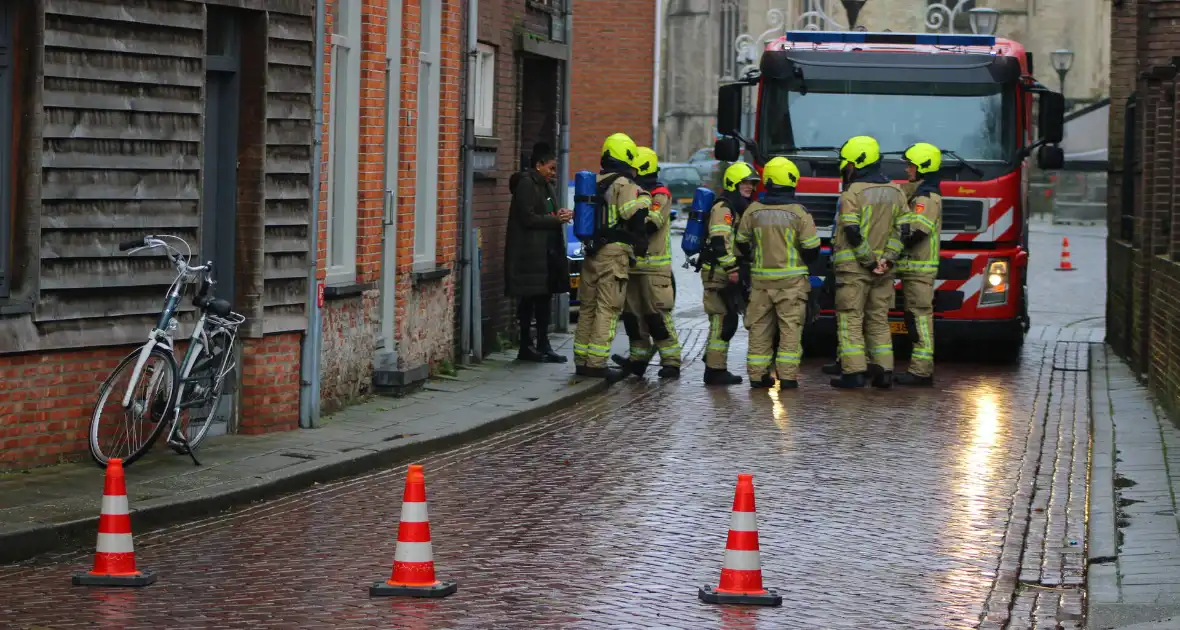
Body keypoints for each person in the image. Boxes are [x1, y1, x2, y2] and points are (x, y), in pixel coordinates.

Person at [571, 133, 652, 381]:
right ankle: (597, 363)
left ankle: (581, 361)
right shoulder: (624, 185)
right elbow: (630, 214)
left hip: (592, 252)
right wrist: (645, 199)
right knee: (607, 308)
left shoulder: (595, 182)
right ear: (627, 156)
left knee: (587, 308)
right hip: (614, 254)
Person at [734, 157, 821, 389]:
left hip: (761, 282)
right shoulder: (798, 213)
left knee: (759, 329)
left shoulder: (753, 211)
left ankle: (757, 376)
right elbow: (812, 250)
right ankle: (788, 377)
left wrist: (757, 257)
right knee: (790, 329)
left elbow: (741, 243)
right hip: (791, 284)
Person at [828, 135, 906, 389]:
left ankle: (854, 373)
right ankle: (884, 371)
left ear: (856, 163)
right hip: (884, 269)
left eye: (847, 164)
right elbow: (901, 231)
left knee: (851, 318)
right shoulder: (897, 191)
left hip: (854, 269)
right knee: (879, 319)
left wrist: (869, 261)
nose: (846, 168)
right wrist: (887, 260)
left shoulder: (852, 193)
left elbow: (851, 232)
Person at [612, 147, 681, 378]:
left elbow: (651, 223)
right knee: (633, 317)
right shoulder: (635, 192)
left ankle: (671, 361)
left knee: (658, 316)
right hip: (633, 265)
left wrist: (628, 222)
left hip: (654, 268)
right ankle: (637, 359)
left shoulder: (660, 195)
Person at [504, 142, 573, 363]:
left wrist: (559, 212)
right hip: (529, 254)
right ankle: (526, 345)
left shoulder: (546, 186)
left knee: (544, 299)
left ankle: (544, 343)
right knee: (528, 301)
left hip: (546, 254)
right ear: (539, 165)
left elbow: (548, 210)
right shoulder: (526, 184)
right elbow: (528, 217)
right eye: (551, 168)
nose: (553, 173)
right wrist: (555, 219)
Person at [698, 162, 760, 386]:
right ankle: (714, 370)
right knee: (722, 321)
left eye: (752, 184)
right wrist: (732, 268)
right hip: (719, 273)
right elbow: (718, 241)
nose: (750, 188)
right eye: (746, 183)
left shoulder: (736, 207)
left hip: (725, 271)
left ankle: (714, 362)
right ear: (734, 182)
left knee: (725, 320)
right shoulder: (724, 208)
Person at [894, 142, 943, 386]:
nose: (907, 170)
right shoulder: (920, 193)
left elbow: (918, 231)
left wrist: (893, 244)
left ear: (923, 167)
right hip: (914, 267)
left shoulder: (926, 198)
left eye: (911, 166)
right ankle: (919, 369)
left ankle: (921, 371)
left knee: (920, 318)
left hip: (919, 268)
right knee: (914, 318)